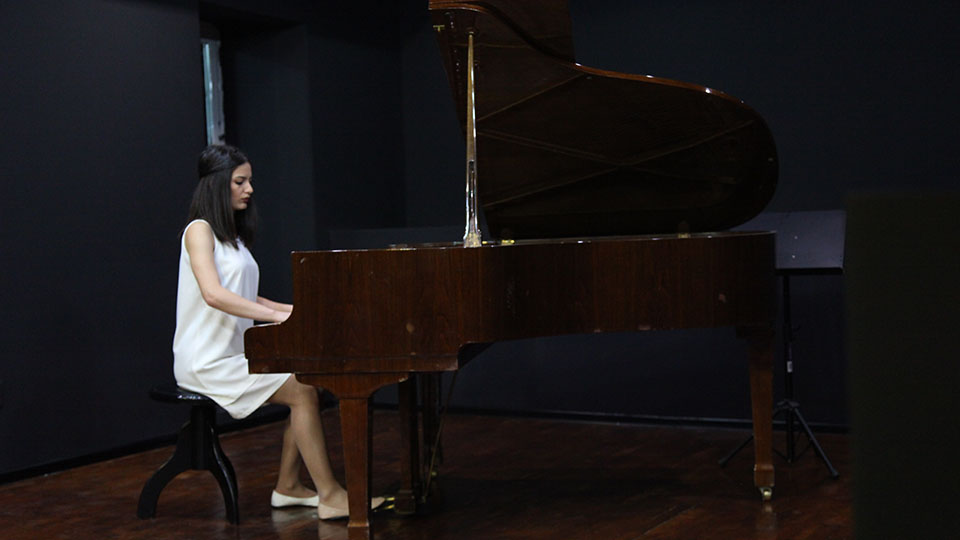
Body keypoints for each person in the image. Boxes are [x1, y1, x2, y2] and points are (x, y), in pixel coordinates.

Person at [172, 144, 380, 519]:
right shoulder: (198, 231)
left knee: (308, 383)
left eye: (249, 181)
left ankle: (288, 487)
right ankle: (330, 495)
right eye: (240, 181)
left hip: (232, 355)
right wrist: (274, 317)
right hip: (204, 361)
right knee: (302, 388)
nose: (249, 189)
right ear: (218, 183)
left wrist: (298, 313)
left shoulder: (232, 238)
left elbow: (246, 296)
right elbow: (214, 294)